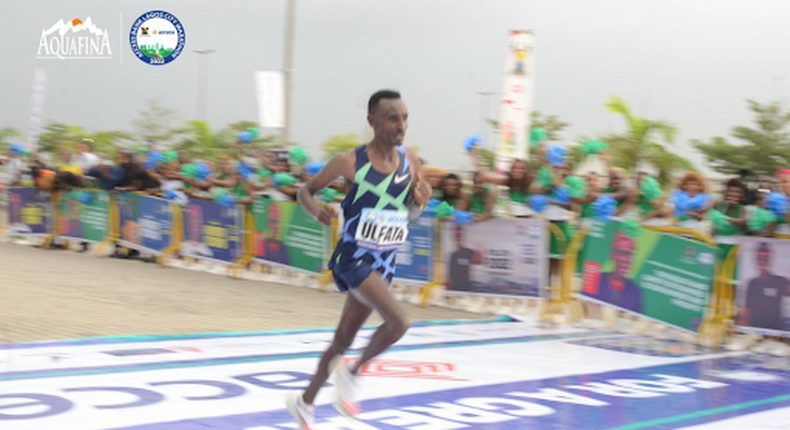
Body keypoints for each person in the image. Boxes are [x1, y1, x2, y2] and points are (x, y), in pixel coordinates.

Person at [288, 90, 431, 428]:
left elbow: (410, 214)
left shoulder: (412, 162)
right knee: (399, 322)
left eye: (405, 117)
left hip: (384, 262)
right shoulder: (349, 162)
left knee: (342, 340)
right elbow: (304, 191)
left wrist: (420, 202)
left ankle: (304, 401)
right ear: (373, 121)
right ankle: (352, 374)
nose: (401, 125)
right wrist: (315, 211)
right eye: (393, 118)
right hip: (353, 258)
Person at [739, 242, 790, 330]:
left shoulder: (780, 281)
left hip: (775, 332)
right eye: (760, 257)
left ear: (769, 260)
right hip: (755, 332)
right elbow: (746, 313)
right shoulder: (752, 284)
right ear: (756, 260)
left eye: (766, 257)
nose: (763, 260)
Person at [595, 232, 642, 313]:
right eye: (623, 253)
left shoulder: (635, 292)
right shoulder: (596, 280)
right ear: (612, 255)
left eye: (630, 255)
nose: (626, 260)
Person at [446, 224, 483, 292]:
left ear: (462, 237)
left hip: (466, 288)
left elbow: (479, 261)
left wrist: (479, 252)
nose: (458, 238)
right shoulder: (453, 256)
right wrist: (448, 291)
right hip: (455, 288)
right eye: (456, 236)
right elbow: (450, 276)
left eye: (459, 236)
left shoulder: (468, 252)